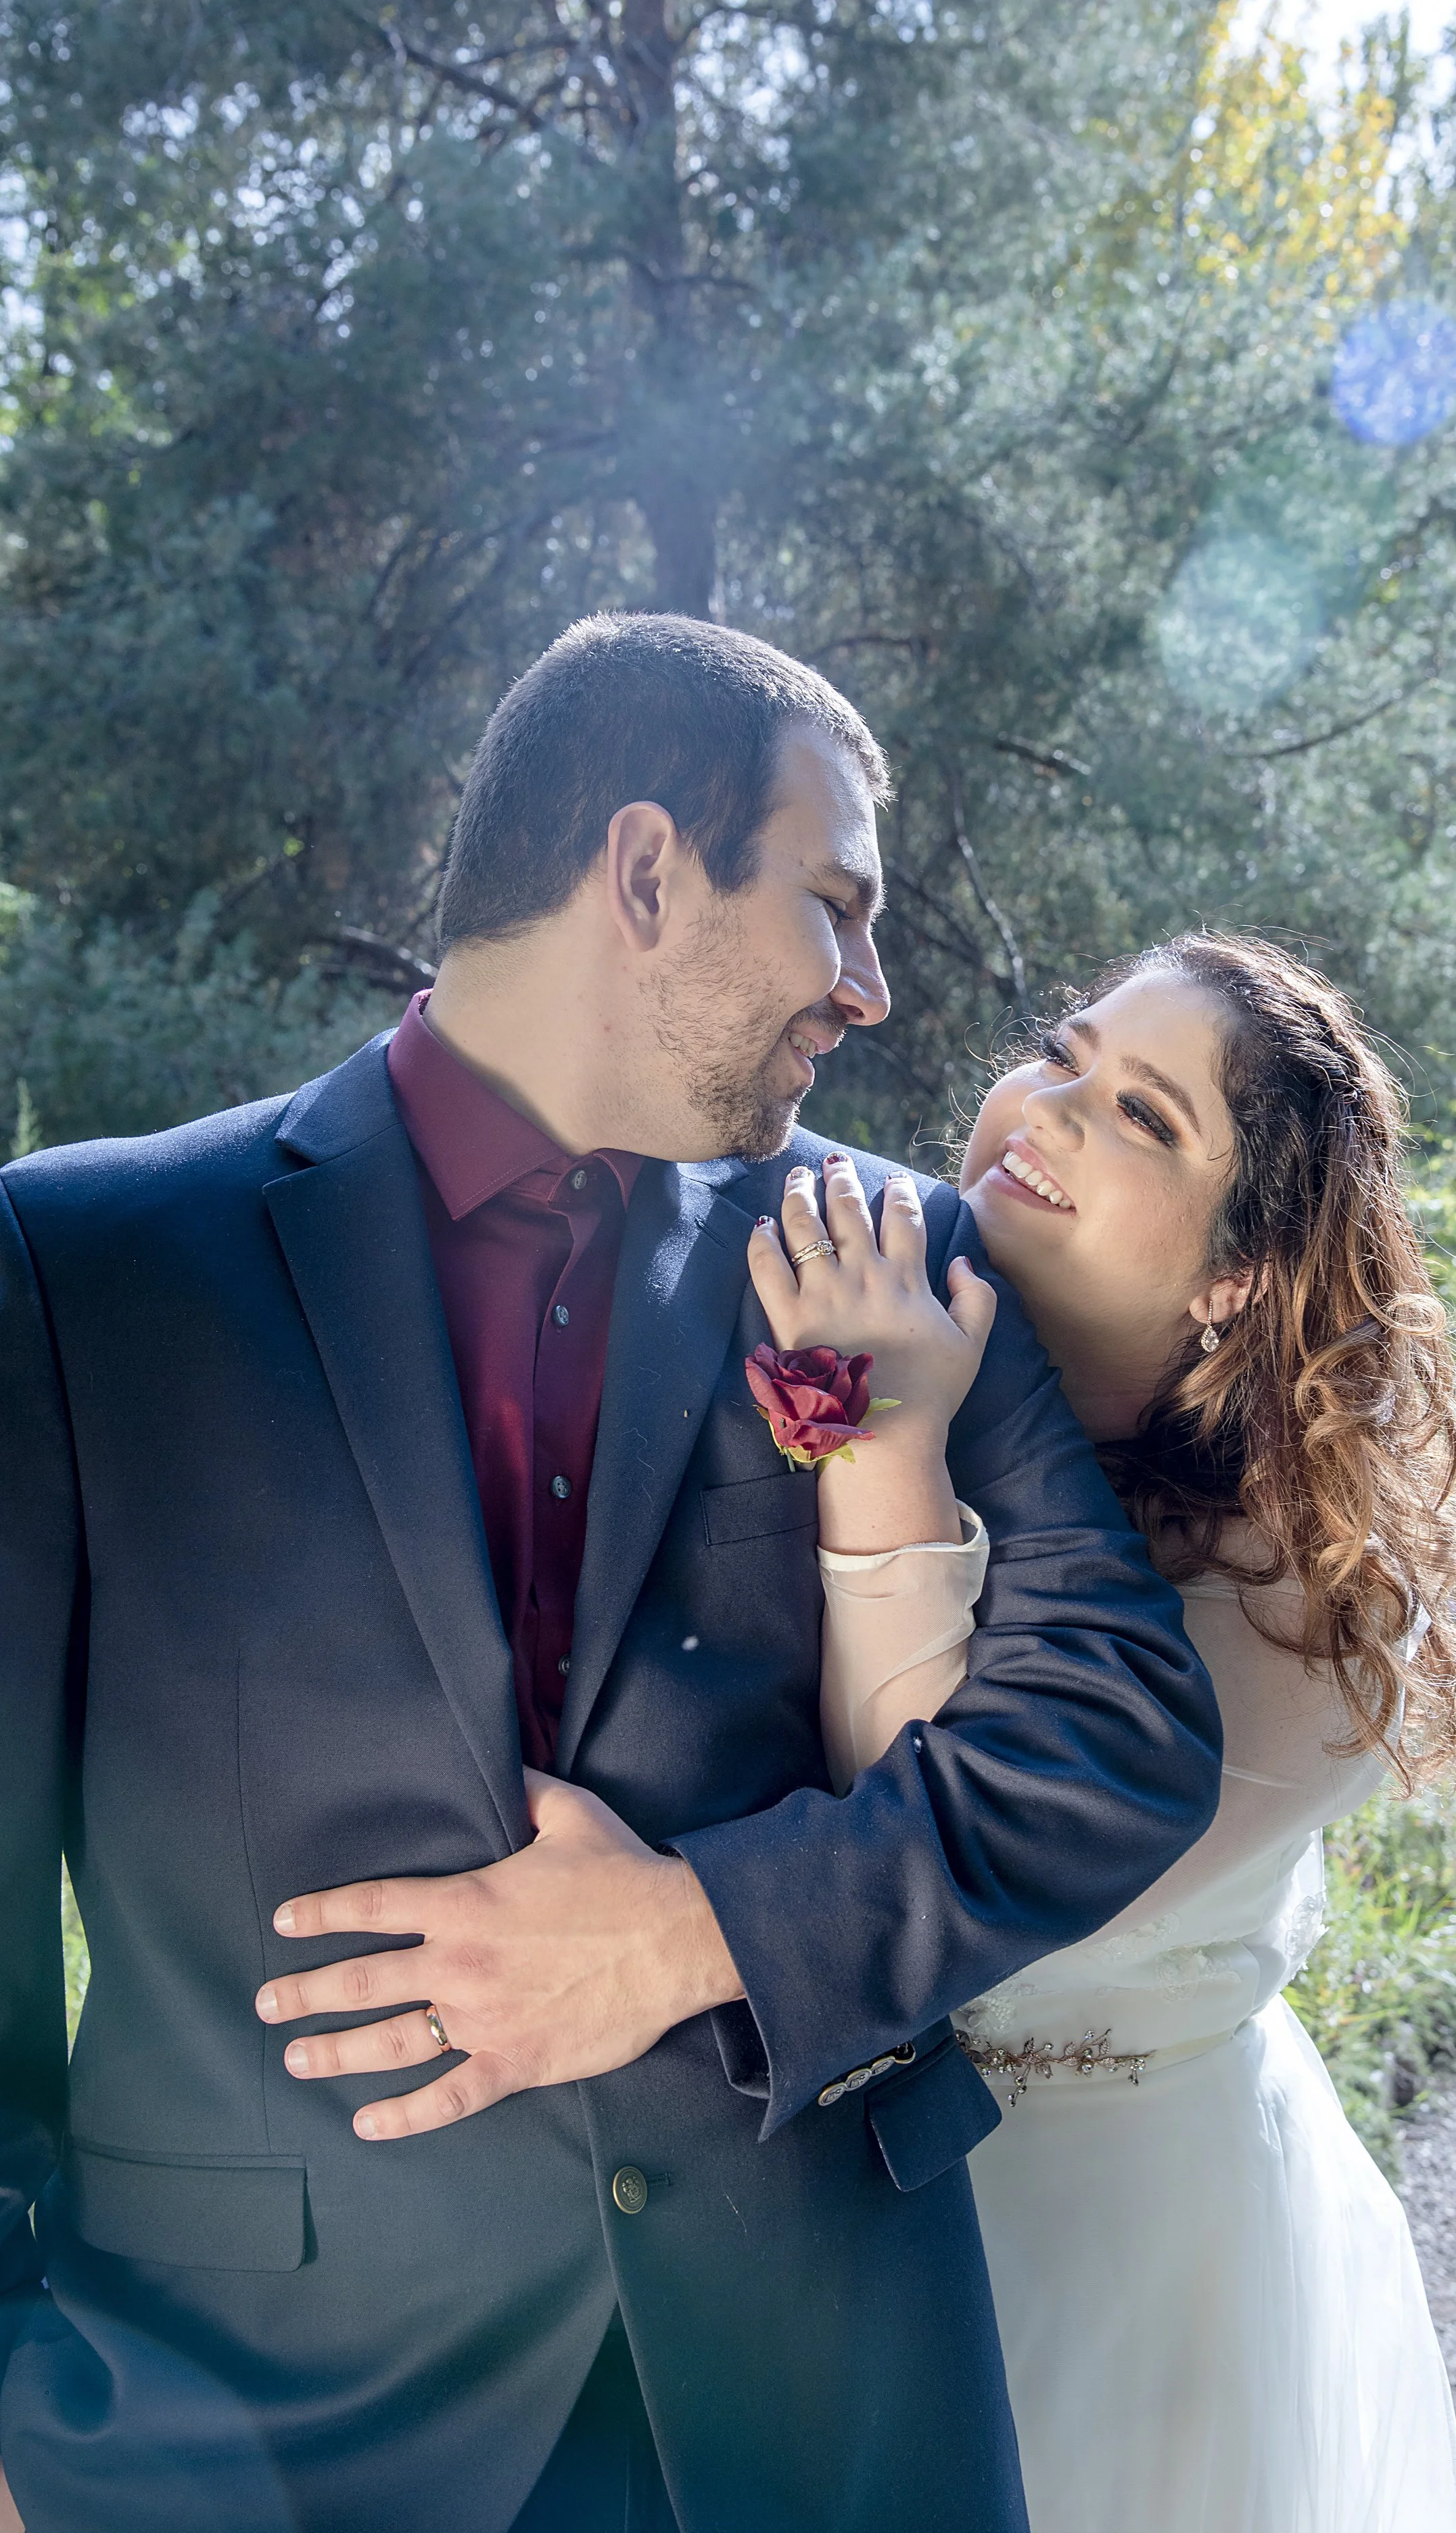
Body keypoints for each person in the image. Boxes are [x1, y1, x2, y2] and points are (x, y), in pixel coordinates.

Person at [0, 615, 1223, 2533]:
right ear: (646, 871)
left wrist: (692, 1933)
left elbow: (1117, 1741)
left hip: (810, 2414)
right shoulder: (89, 1266)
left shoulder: (892, 1252)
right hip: (238, 2438)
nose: (875, 989)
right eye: (835, 905)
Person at [749, 932, 1456, 2532]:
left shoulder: (1316, 1595)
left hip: (1140, 2254)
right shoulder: (844, 1297)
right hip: (807, 2227)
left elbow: (955, 1872)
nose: (1052, 1106)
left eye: (1145, 1116)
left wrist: (884, 1450)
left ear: (1238, 1272)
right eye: (1062, 1053)